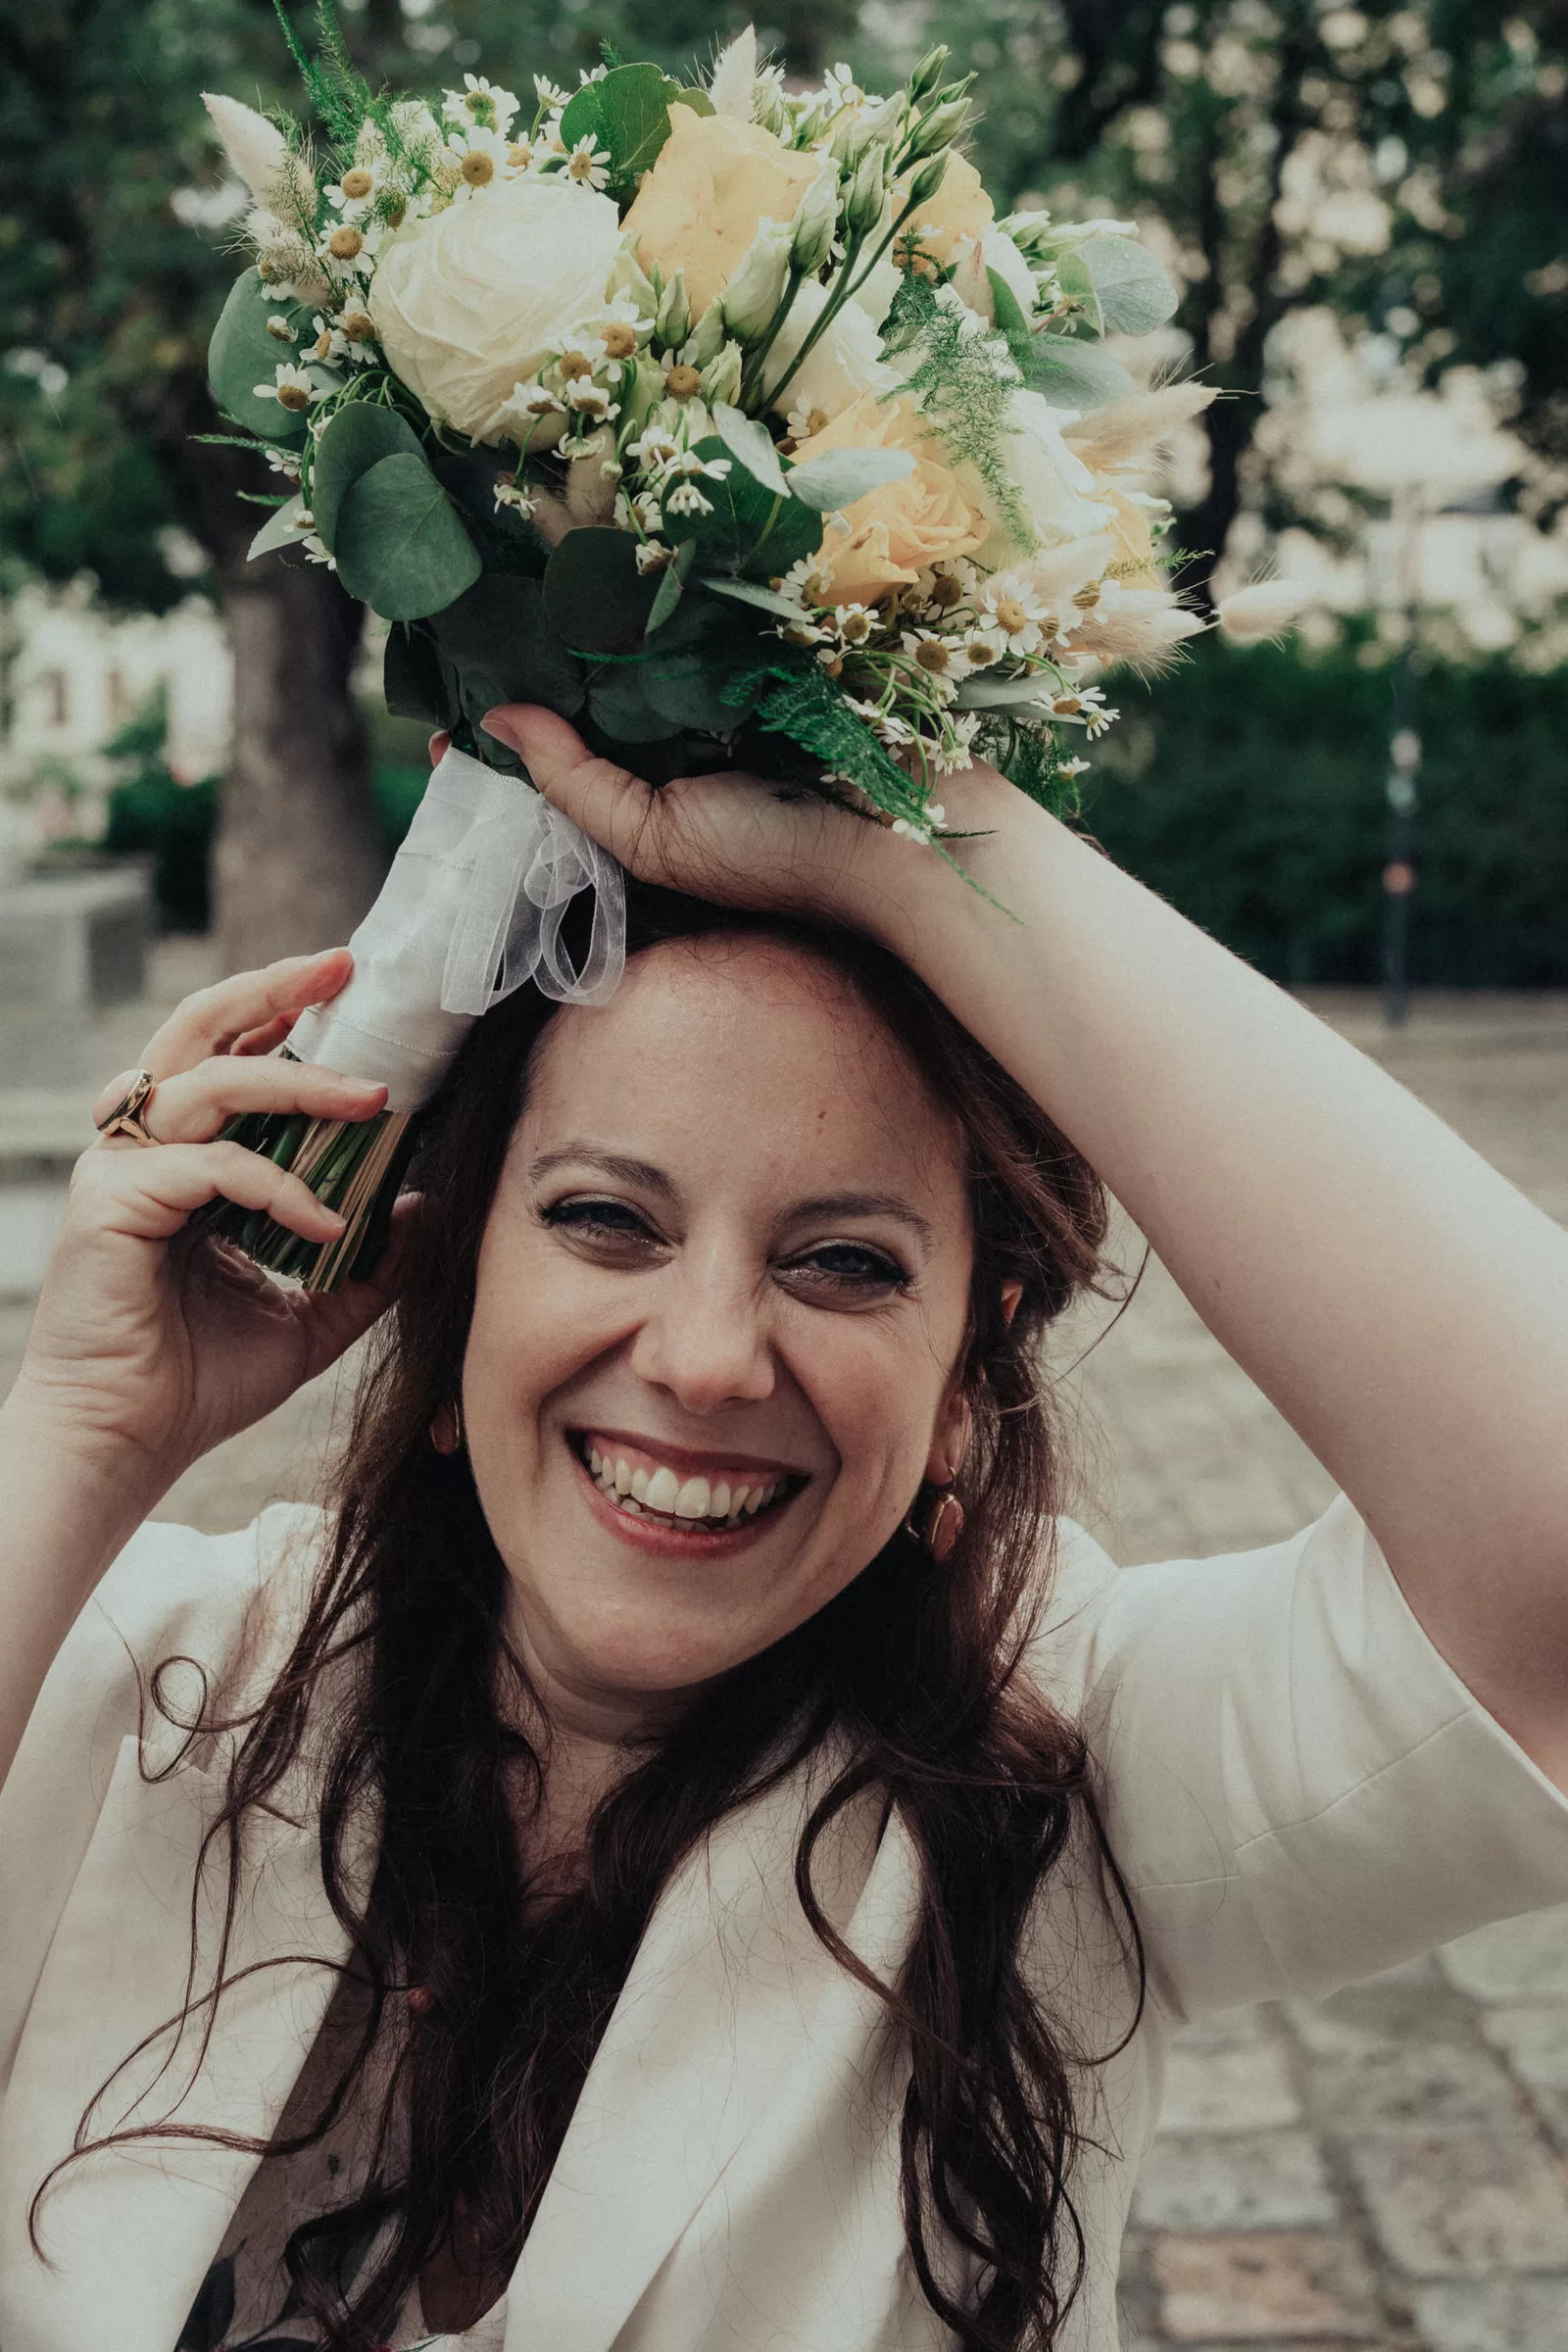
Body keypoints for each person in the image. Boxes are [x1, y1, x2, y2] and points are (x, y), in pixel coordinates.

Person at [1, 706, 1565, 2352]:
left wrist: (925, 840)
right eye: (607, 1219)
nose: (705, 1357)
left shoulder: (1077, 1776)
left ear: (968, 1373)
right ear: (450, 1291)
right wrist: (84, 1436)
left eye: (846, 1263)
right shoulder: (131, 1668)